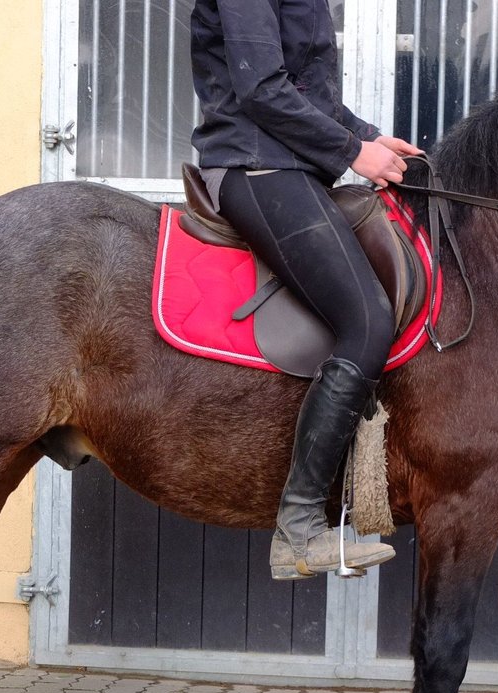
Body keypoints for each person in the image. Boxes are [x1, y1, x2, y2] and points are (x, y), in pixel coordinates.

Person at [190, 0, 422, 580]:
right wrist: (352, 153)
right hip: (252, 164)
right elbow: (261, 89)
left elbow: (306, 92)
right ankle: (298, 531)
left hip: (288, 165)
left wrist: (370, 138)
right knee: (366, 319)